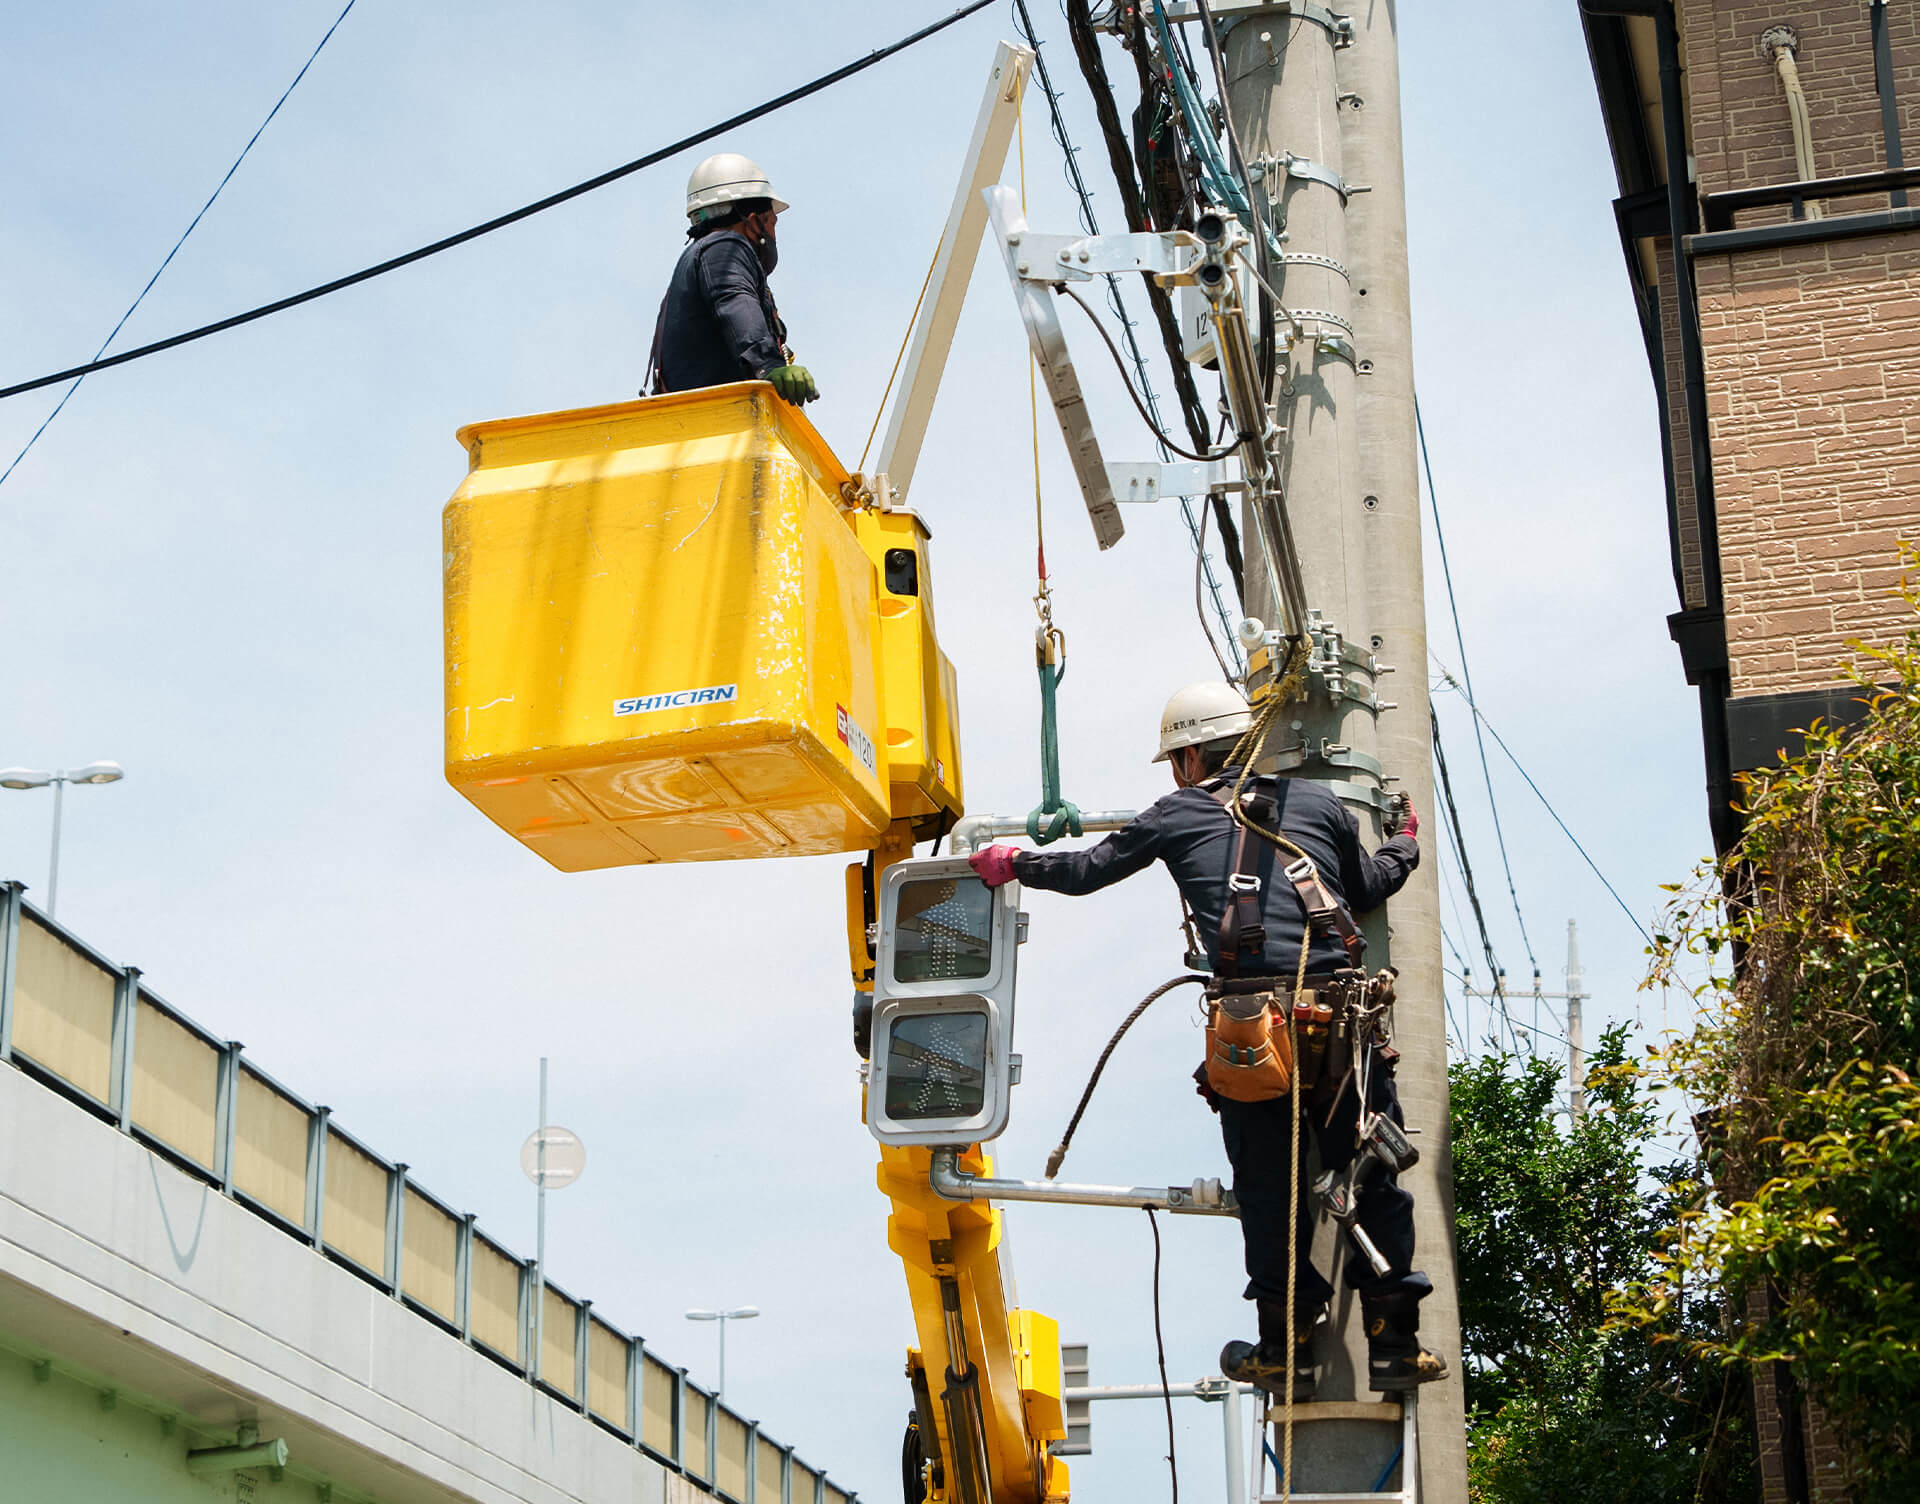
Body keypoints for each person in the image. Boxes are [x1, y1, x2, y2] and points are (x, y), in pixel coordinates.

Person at [967, 681, 1448, 1397]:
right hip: (1340, 1025)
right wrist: (1404, 844)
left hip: (1254, 1032)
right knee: (1371, 1170)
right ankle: (1394, 1344)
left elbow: (1086, 870)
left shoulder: (1177, 814)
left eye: (1174, 761)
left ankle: (1286, 1347)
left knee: (1267, 1189)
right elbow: (1366, 888)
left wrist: (1013, 865)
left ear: (1192, 756)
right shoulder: (1320, 806)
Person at [647, 153, 818, 404]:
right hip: (715, 425)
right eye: (772, 223)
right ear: (753, 222)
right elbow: (734, 301)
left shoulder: (695, 262)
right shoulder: (724, 249)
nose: (773, 235)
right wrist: (767, 364)